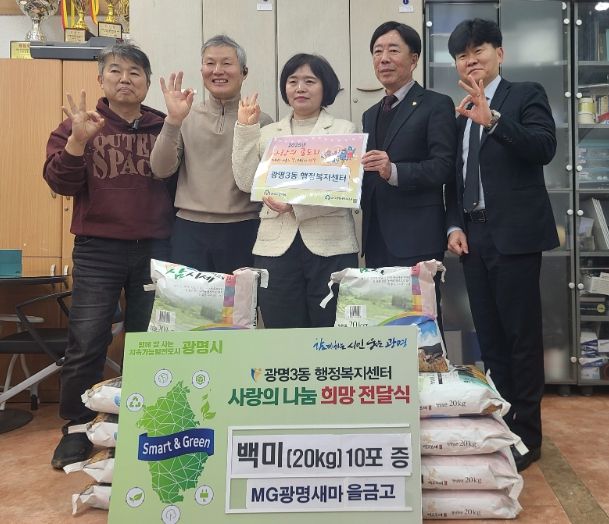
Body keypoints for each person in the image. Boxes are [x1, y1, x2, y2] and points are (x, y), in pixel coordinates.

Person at [43, 43, 174, 468]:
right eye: (115, 71)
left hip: (155, 247)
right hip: (97, 248)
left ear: (147, 82)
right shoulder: (79, 125)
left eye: (135, 72)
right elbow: (60, 183)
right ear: (101, 79)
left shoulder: (163, 125)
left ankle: (136, 418)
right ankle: (77, 425)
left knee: (146, 341)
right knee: (87, 339)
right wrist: (77, 143)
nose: (125, 79)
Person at [445, 18, 559, 471]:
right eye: (462, 55)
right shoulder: (460, 113)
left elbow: (543, 147)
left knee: (521, 338)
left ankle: (527, 435)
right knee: (490, 339)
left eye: (479, 51)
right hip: (474, 238)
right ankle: (502, 424)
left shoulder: (524, 95)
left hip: (514, 236)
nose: (471, 60)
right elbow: (456, 178)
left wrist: (493, 119)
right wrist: (454, 225)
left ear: (500, 54)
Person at [232, 54, 359, 327]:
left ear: (325, 87)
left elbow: (343, 190)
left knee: (331, 329)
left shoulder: (343, 130)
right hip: (275, 247)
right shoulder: (268, 133)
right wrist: (245, 129)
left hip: (332, 246)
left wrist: (295, 205)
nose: (300, 88)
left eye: (309, 81)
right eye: (293, 81)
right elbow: (245, 182)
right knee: (282, 330)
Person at [360, 21, 457, 327]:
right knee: (383, 324)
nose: (383, 59)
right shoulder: (370, 114)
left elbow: (443, 166)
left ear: (414, 59)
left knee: (422, 326)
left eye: (393, 50)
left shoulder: (436, 105)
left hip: (417, 238)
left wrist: (394, 171)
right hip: (376, 237)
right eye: (377, 52)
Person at [150, 34, 273, 274]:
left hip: (244, 227)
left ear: (244, 72)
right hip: (189, 229)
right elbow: (160, 169)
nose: (217, 70)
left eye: (226, 63)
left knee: (241, 298)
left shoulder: (262, 121)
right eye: (210, 63)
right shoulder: (186, 116)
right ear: (202, 70)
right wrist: (173, 121)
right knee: (189, 299)